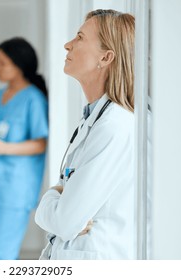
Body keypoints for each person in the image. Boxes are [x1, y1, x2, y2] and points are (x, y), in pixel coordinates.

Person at [35, 9, 135, 260]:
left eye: (79, 37)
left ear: (106, 57)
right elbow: (66, 219)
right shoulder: (94, 118)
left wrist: (50, 197)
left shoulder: (114, 126)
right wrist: (61, 204)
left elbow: (65, 221)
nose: (68, 45)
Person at [0, 38, 48, 260]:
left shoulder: (34, 99)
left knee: (0, 256)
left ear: (19, 65)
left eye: (2, 63)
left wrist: (4, 148)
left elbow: (40, 143)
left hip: (14, 189)